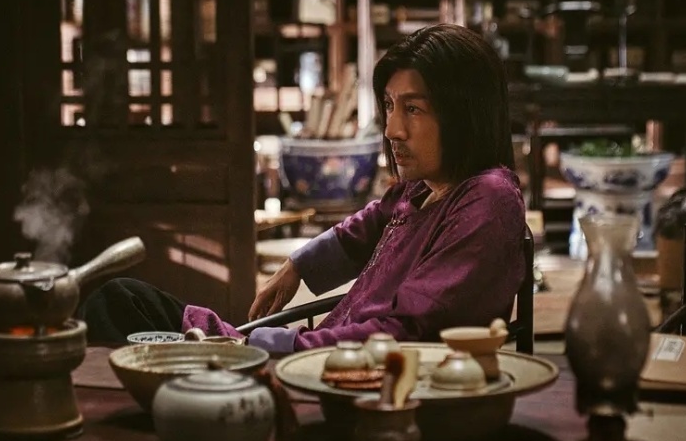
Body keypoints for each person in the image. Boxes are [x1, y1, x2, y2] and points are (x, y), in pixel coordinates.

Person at [80, 23, 527, 353]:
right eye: (390, 106)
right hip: (313, 352)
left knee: (120, 312)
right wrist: (296, 266)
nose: (392, 129)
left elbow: (408, 333)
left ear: (463, 113)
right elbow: (366, 226)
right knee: (122, 299)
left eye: (413, 109)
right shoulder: (421, 190)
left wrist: (272, 345)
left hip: (340, 373)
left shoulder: (486, 200)